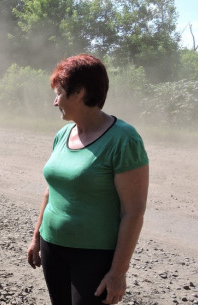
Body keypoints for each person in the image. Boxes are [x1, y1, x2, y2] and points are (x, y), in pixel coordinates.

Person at [26, 54, 149, 305]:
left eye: (59, 93)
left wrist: (118, 272)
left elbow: (133, 212)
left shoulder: (123, 139)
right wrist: (37, 237)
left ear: (80, 92)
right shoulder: (63, 134)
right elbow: (51, 191)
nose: (54, 101)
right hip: (53, 247)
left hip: (94, 255)